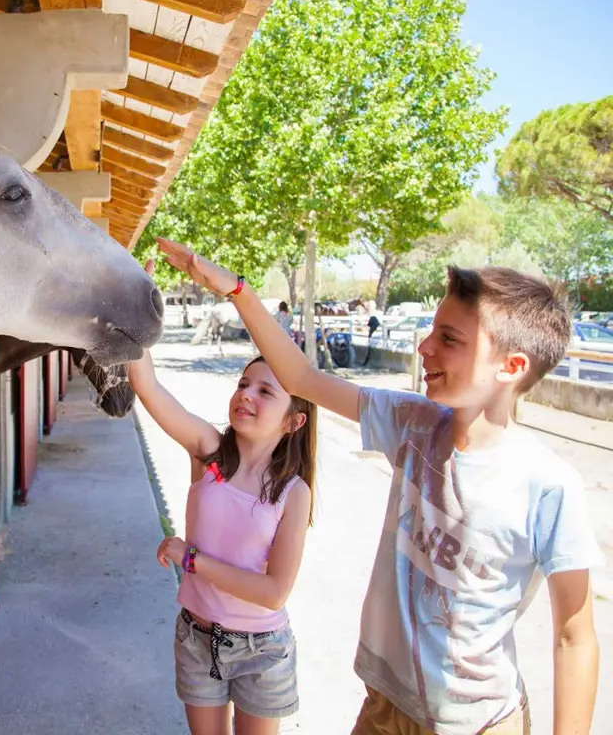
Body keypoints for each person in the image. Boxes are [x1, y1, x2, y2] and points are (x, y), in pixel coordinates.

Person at [155, 237, 602, 735]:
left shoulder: (548, 485)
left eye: (450, 339)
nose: (424, 346)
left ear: (512, 367)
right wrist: (237, 289)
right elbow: (301, 377)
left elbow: (573, 636)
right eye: (430, 330)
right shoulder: (411, 426)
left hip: (478, 722)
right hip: (383, 704)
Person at [128, 263, 316, 735]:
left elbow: (274, 591)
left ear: (293, 422)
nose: (246, 395)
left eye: (265, 391)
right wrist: (136, 302)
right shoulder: (210, 454)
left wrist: (193, 560)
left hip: (263, 650)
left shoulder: (294, 494)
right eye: (242, 384)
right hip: (197, 637)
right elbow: (147, 386)